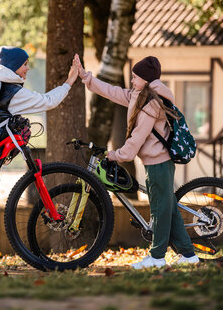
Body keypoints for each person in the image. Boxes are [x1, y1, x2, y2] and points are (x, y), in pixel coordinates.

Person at [0, 46, 79, 274]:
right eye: (25, 64)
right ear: (14, 66)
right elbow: (48, 101)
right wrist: (69, 81)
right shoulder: (11, 91)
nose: (28, 68)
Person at [72, 54, 199, 269]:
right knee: (168, 208)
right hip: (155, 163)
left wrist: (117, 154)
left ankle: (157, 258)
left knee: (159, 209)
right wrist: (87, 78)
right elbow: (112, 92)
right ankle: (188, 254)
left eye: (134, 77)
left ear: (146, 79)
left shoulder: (152, 104)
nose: (131, 81)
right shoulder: (139, 96)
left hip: (159, 164)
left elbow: (138, 137)